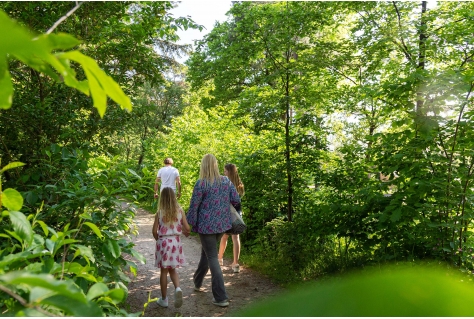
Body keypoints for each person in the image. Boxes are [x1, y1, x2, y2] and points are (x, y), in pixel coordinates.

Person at [186, 154, 241, 307]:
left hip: (206, 227)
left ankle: (221, 297)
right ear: (216, 165)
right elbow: (236, 200)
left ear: (203, 166)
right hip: (222, 226)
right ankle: (197, 282)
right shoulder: (226, 181)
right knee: (207, 252)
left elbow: (194, 207)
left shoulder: (201, 183)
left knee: (212, 256)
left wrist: (188, 225)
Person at [152, 187, 191, 308]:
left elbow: (154, 231)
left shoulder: (160, 212)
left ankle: (164, 299)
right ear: (174, 198)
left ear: (162, 199)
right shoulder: (180, 210)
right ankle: (178, 288)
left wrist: (158, 240)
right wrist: (185, 232)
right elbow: (187, 229)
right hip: (175, 242)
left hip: (164, 242)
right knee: (172, 268)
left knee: (164, 271)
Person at [218, 163, 245, 273]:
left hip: (227, 213)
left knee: (224, 236)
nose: (224, 173)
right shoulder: (239, 185)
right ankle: (235, 263)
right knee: (235, 238)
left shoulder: (225, 184)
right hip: (237, 213)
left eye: (225, 171)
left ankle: (219, 259)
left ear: (229, 172)